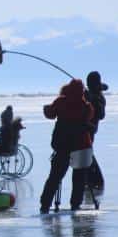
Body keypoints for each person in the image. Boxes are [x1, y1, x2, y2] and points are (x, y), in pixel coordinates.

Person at [39, 79, 94, 213]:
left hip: (62, 145)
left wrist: (45, 108)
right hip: (81, 146)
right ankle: (75, 205)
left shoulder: (61, 101)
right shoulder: (86, 106)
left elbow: (50, 114)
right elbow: (91, 116)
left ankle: (45, 205)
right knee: (79, 178)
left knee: (55, 177)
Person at [84, 71, 107, 191]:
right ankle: (91, 180)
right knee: (87, 153)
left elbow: (101, 114)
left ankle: (96, 180)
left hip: (91, 129)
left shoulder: (99, 97)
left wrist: (92, 100)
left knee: (87, 154)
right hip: (85, 129)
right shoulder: (89, 94)